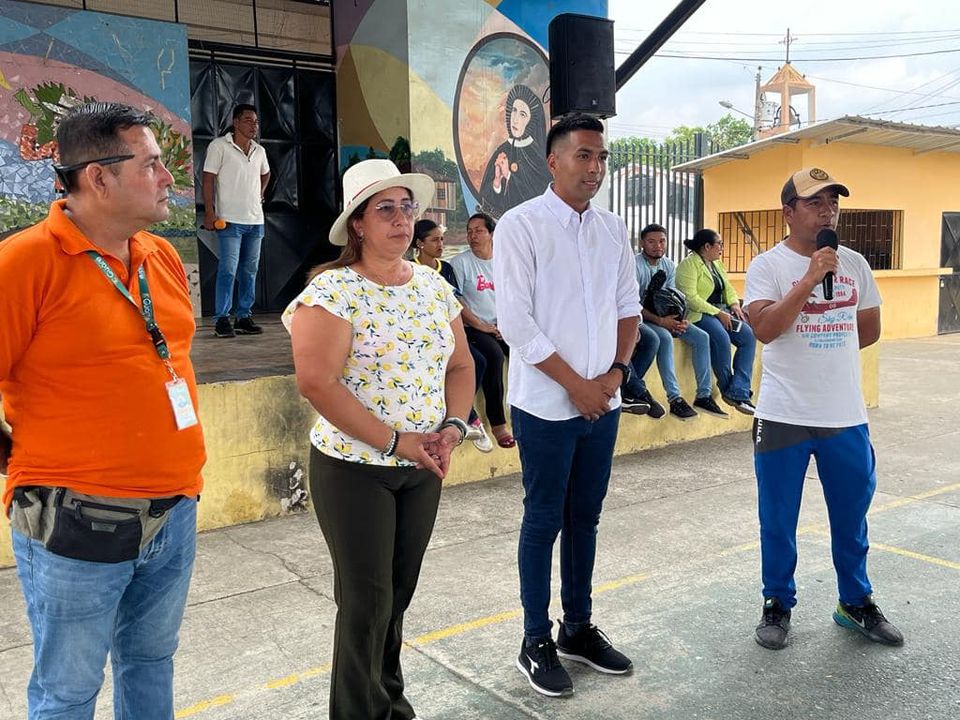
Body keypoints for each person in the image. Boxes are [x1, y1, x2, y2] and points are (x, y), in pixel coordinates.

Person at [0, 102, 206, 719]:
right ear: (98, 177)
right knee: (68, 690)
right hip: (75, 520)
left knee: (151, 662)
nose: (168, 177)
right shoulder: (24, 262)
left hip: (174, 509)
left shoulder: (159, 254)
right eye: (151, 164)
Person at [284, 159, 475, 720]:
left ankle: (388, 701)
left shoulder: (434, 287)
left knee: (397, 595)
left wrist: (453, 428)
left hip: (422, 467)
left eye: (407, 207)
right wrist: (395, 442)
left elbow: (462, 366)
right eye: (384, 209)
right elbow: (316, 381)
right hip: (354, 469)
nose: (400, 219)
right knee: (366, 601)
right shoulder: (333, 291)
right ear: (358, 225)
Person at [495, 113, 639, 698]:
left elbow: (628, 308)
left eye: (601, 157)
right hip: (545, 406)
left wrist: (614, 375)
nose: (595, 167)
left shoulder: (612, 229)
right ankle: (535, 640)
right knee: (544, 518)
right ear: (553, 161)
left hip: (603, 403)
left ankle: (577, 628)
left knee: (586, 517)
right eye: (584, 155)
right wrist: (575, 385)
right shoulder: (520, 226)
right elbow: (515, 322)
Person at [744, 167, 902, 650]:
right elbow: (765, 330)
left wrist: (825, 353)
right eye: (814, 202)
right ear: (788, 212)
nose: (827, 210)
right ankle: (777, 603)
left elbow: (868, 330)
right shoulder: (767, 266)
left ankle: (855, 602)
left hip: (844, 415)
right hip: (782, 415)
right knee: (778, 519)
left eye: (833, 202)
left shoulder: (854, 264)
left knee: (852, 518)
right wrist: (810, 278)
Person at [621, 223, 728, 421]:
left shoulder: (669, 265)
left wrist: (679, 320)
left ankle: (703, 396)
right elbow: (632, 304)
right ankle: (675, 398)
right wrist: (661, 322)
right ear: (642, 243)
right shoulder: (634, 265)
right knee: (663, 338)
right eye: (652, 242)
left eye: (662, 241)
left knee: (701, 337)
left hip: (664, 317)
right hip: (642, 317)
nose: (658, 246)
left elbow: (672, 299)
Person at [412, 219, 494, 453]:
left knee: (479, 360)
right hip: (423, 333)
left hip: (448, 330)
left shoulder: (446, 268)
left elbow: (455, 303)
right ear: (419, 243)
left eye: (442, 239)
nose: (441, 244)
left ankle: (466, 414)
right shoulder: (410, 268)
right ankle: (470, 416)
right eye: (434, 240)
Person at [202, 103, 271, 338]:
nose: (254, 126)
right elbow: (208, 179)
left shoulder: (259, 151)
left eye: (256, 122)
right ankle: (222, 318)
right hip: (229, 220)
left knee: (250, 271)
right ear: (236, 122)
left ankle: (243, 316)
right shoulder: (219, 146)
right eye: (249, 120)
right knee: (228, 270)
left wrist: (260, 193)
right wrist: (209, 212)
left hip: (256, 220)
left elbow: (266, 173)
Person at [450, 212, 516, 448]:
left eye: (478, 231)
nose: (473, 236)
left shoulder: (504, 261)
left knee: (524, 354)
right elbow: (456, 301)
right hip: (472, 327)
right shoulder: (461, 263)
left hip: (501, 324)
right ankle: (498, 425)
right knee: (494, 356)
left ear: (491, 234)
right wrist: (480, 325)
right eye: (469, 231)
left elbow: (513, 295)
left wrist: (506, 325)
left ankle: (525, 412)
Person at [675, 228, 757, 415]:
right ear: (707, 246)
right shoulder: (688, 265)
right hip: (699, 314)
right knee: (721, 338)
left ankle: (739, 390)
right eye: (719, 244)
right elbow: (690, 298)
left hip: (722, 312)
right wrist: (717, 313)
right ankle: (730, 390)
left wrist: (734, 304)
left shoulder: (717, 264)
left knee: (748, 336)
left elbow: (728, 288)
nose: (722, 248)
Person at [479, 84, 552, 218]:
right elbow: (487, 201)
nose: (516, 119)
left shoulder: (538, 156)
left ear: (531, 121)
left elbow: (539, 196)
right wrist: (496, 182)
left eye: (523, 114)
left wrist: (508, 175)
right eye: (514, 110)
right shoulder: (502, 151)